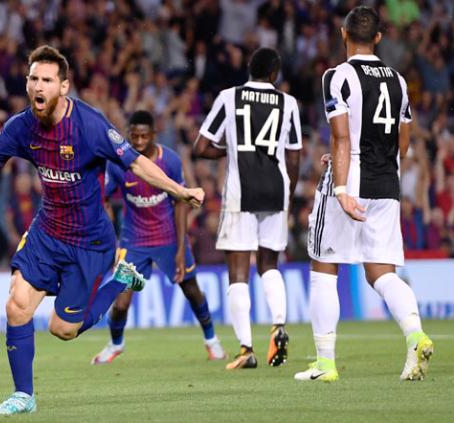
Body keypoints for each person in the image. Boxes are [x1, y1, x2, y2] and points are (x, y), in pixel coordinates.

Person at [0, 45, 204, 415]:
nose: (37, 86)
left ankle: (123, 279)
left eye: (46, 79)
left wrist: (181, 190)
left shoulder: (90, 126)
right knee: (16, 305)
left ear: (64, 86)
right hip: (48, 232)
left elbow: (137, 163)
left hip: (89, 242)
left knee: (62, 328)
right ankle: (23, 395)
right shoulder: (21, 126)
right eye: (33, 78)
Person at [294, 6, 433, 383]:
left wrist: (340, 186)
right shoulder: (398, 80)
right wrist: (375, 162)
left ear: (342, 34)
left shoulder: (336, 76)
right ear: (378, 38)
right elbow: (403, 140)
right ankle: (416, 336)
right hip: (387, 179)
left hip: (350, 178)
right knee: (381, 272)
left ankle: (325, 364)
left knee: (324, 266)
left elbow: (341, 136)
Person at [194, 47, 302, 369]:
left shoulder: (230, 97)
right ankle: (279, 326)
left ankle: (246, 350)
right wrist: (289, 196)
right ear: (274, 75)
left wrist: (232, 150)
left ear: (249, 71)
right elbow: (294, 156)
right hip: (276, 191)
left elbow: (201, 146)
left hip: (242, 193)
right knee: (269, 265)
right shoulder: (289, 103)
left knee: (238, 273)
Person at [91, 110, 227, 365]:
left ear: (154, 134)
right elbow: (103, 198)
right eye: (134, 136)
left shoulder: (170, 161)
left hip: (169, 240)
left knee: (192, 291)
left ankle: (212, 341)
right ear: (128, 134)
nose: (139, 141)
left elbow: (181, 202)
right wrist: (109, 235)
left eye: (144, 136)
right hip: (134, 243)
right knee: (120, 301)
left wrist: (179, 248)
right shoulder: (119, 163)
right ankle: (115, 344)